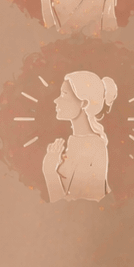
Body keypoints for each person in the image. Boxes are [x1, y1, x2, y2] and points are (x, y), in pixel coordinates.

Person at [41, 71, 117, 203]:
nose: (56, 100)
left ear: (84, 103)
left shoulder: (95, 146)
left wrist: (49, 170)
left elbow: (77, 206)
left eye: (64, 94)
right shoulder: (75, 142)